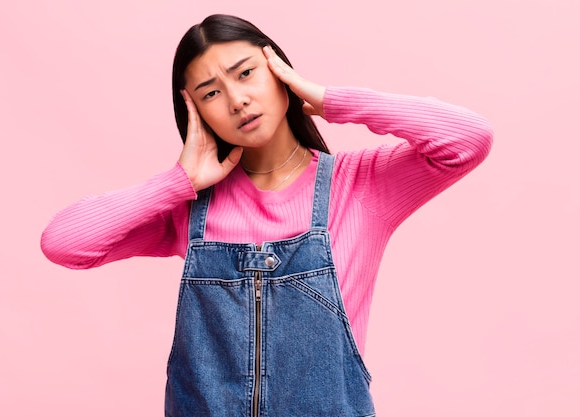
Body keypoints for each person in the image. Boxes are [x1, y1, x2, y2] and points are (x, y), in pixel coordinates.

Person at [41, 14, 493, 417]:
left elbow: (469, 138)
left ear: (279, 72)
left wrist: (329, 99)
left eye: (247, 73)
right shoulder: (189, 207)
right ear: (195, 112)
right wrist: (178, 181)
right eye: (212, 92)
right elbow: (64, 243)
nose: (237, 99)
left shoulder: (359, 186)